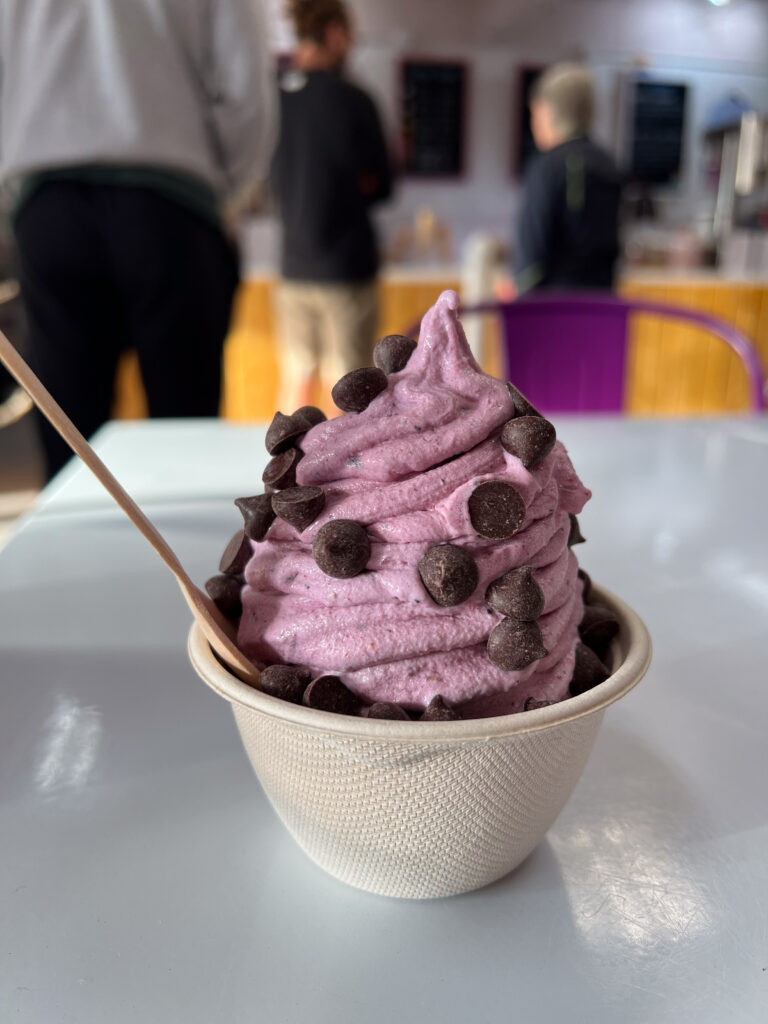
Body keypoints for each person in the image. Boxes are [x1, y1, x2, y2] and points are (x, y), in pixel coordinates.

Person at [0, 0, 274, 480]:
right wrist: (222, 189)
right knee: (185, 440)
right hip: (172, 202)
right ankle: (185, 556)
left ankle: (78, 555)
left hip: (49, 203)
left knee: (71, 448)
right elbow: (245, 86)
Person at [271, 0, 392, 413]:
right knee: (350, 393)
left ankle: (280, 476)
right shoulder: (355, 102)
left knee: (294, 384)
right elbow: (383, 185)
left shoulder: (275, 101)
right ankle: (346, 480)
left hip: (292, 268)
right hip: (347, 270)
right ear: (336, 33)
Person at [514, 63, 622, 295]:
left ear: (547, 111)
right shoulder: (609, 164)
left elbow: (530, 260)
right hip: (602, 309)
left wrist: (517, 291)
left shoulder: (546, 167)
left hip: (551, 314)